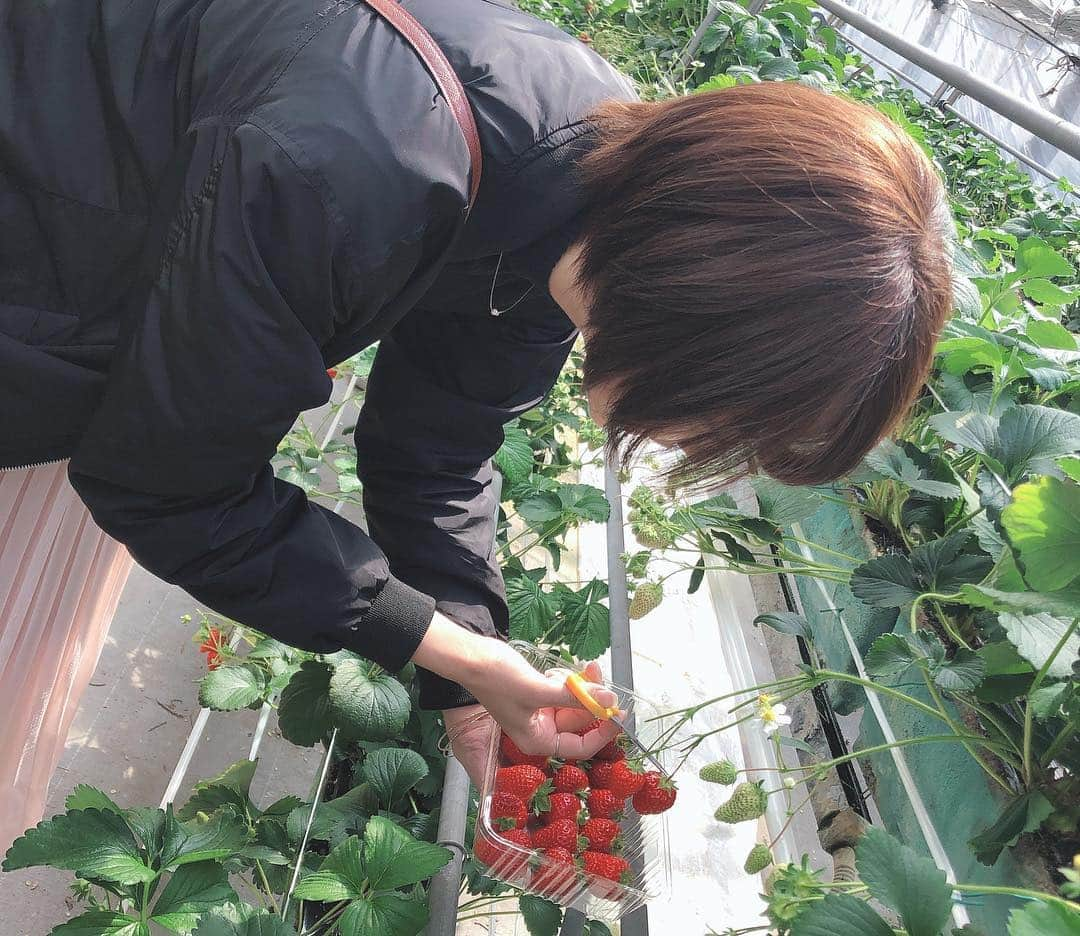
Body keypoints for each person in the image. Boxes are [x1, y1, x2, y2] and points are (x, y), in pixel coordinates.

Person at [0, 0, 954, 842]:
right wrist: (437, 642)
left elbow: (440, 439)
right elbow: (170, 487)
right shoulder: (351, 166)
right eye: (728, 411)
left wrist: (470, 672)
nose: (693, 440)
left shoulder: (599, 185)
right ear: (691, 304)